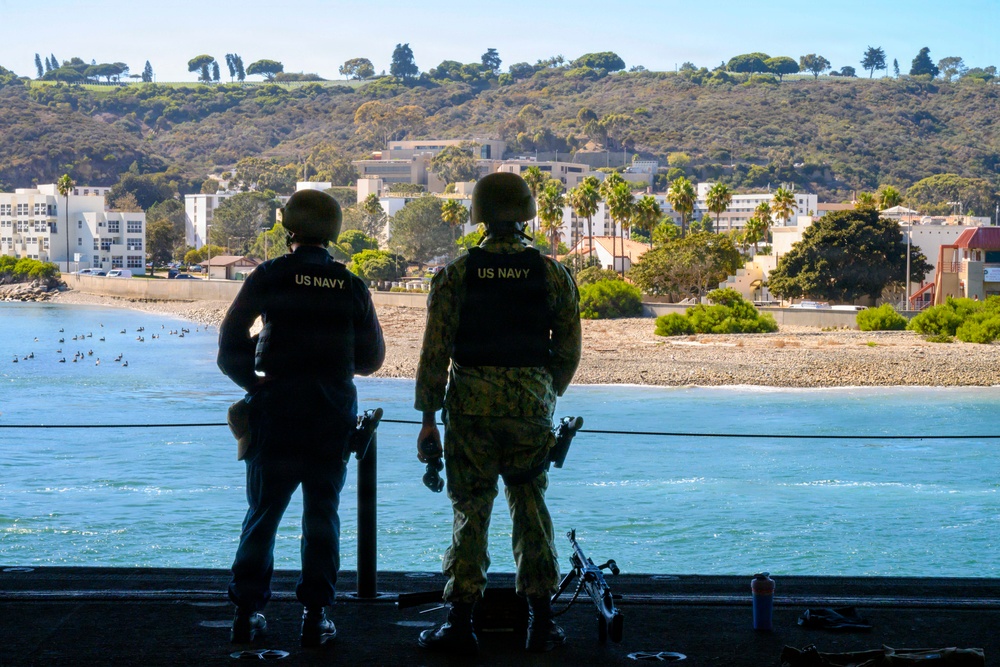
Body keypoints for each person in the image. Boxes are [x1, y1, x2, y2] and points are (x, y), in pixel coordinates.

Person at [414, 172, 582, 655]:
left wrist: (428, 418)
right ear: (526, 215)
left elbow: (434, 355)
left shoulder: (456, 274)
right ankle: (542, 623)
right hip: (531, 407)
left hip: (469, 409)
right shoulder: (552, 273)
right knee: (531, 509)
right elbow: (568, 350)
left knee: (472, 510)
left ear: (480, 216)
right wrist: (544, 392)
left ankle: (461, 623)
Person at [218, 189, 384, 647]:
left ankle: (247, 614)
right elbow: (371, 359)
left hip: (277, 409)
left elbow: (230, 340)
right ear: (332, 231)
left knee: (263, 514)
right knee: (322, 516)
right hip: (331, 413)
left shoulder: (270, 274)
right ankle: (315, 616)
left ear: (288, 228)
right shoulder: (350, 284)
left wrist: (253, 384)